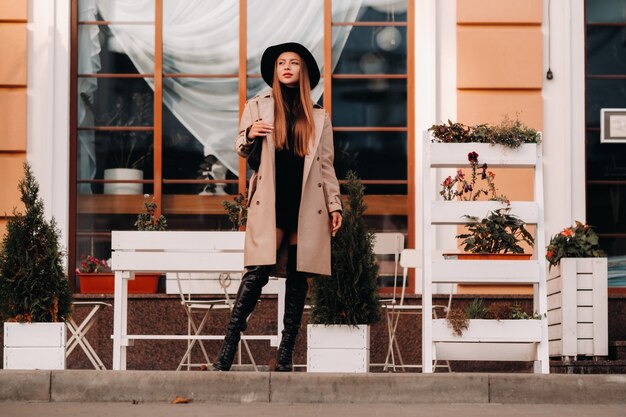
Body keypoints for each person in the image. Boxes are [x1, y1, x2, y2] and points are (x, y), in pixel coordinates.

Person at [212, 42, 343, 372]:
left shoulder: (318, 115)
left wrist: (334, 205)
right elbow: (241, 148)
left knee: (298, 280)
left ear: (303, 72)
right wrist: (250, 133)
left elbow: (325, 165)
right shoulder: (257, 105)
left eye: (294, 62)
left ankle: (284, 357)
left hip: (306, 202)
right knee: (256, 273)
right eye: (281, 62)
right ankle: (226, 353)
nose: (286, 67)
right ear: (274, 71)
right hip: (272, 199)